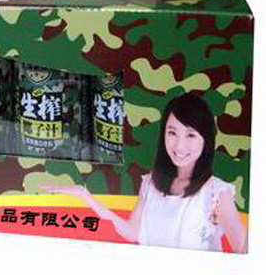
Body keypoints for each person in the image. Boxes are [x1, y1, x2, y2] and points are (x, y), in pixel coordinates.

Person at [44, 92, 248, 252]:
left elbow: (243, 248)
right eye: (172, 132)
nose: (179, 145)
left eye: (191, 135)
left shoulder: (216, 193)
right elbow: (132, 233)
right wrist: (85, 196)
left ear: (206, 140)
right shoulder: (151, 184)